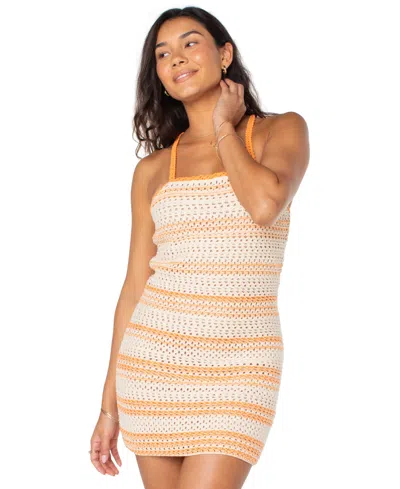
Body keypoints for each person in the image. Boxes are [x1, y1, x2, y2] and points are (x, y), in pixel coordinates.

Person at [89, 6, 309, 489]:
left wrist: (224, 127)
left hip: (241, 367)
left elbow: (265, 205)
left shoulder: (280, 130)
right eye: (162, 54)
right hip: (153, 365)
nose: (176, 58)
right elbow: (134, 288)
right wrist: (109, 408)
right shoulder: (153, 170)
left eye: (190, 43)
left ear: (224, 54)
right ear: (160, 78)